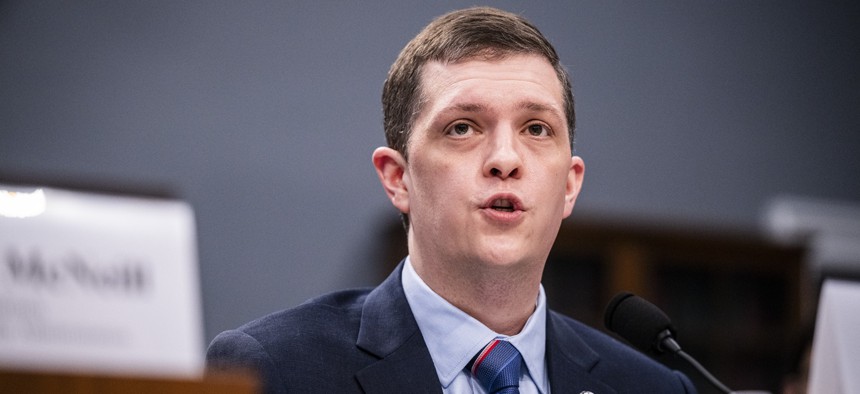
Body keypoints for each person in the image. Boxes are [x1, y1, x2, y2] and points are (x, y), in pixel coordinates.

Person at [207, 6, 697, 394]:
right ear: (398, 179)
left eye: (536, 128)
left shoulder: (652, 385)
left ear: (570, 185)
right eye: (462, 127)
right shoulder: (273, 371)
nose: (505, 158)